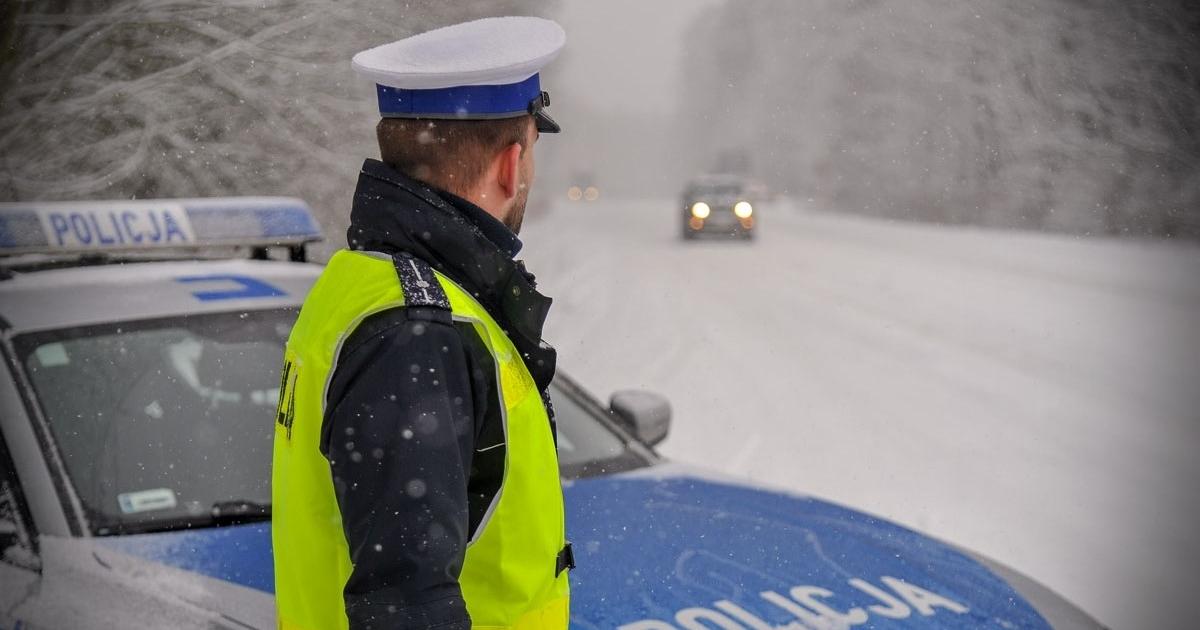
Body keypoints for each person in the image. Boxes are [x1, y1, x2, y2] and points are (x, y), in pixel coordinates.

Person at [272, 17, 571, 630]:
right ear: (511, 165)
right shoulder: (420, 330)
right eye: (533, 155)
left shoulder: (366, 281)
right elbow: (407, 604)